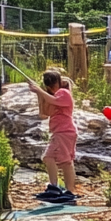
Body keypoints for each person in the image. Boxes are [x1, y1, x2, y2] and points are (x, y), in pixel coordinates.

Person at [27, 69, 79, 203]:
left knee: (65, 162)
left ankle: (69, 191)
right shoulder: (51, 96)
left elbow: (55, 100)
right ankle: (55, 187)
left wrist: (40, 91)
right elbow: (43, 114)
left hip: (65, 131)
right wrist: (39, 95)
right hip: (59, 132)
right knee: (48, 157)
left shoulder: (64, 93)